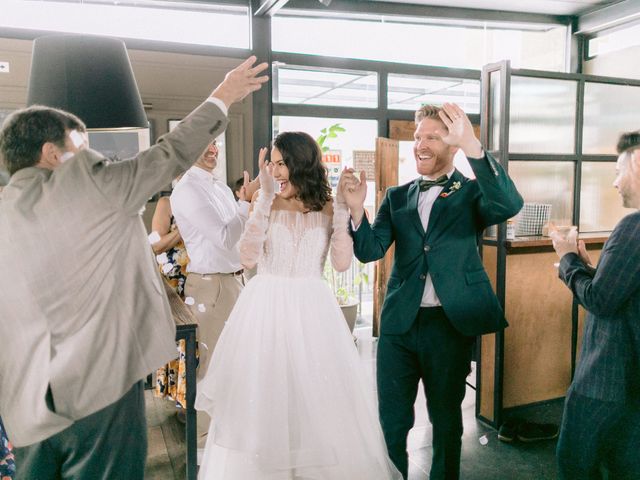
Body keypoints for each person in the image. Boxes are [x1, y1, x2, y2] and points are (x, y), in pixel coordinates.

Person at [0, 56, 268, 479]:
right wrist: (225, 95)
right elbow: (172, 152)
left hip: (23, 404)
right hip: (99, 397)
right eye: (78, 147)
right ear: (52, 153)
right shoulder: (96, 187)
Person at [195, 132, 401, 479]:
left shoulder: (329, 207)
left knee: (313, 396)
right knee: (267, 393)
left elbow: (340, 264)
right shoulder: (267, 201)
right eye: (272, 163)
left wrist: (345, 212)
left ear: (301, 164)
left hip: (312, 309)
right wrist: (261, 201)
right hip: (266, 308)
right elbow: (246, 258)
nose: (274, 171)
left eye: (280, 163)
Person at [341, 103, 523, 479]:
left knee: (446, 423)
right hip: (399, 328)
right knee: (392, 423)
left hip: (448, 325)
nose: (420, 144)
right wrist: (357, 212)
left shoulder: (471, 193)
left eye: (432, 137)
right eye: (418, 136)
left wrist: (474, 145)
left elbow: (509, 204)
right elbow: (369, 250)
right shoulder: (396, 196)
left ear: (454, 144)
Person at [550, 130, 640, 480]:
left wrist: (568, 259)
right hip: (631, 381)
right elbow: (623, 290)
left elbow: (601, 300)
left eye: (619, 170)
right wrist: (589, 267)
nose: (615, 183)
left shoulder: (633, 225)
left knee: (574, 463)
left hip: (605, 378)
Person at [170, 140, 258, 377]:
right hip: (212, 287)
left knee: (239, 364)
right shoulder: (187, 189)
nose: (213, 149)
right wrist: (246, 202)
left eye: (215, 142)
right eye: (205, 143)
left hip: (237, 280)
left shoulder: (221, 189)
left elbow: (239, 237)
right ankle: (207, 416)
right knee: (214, 369)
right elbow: (224, 237)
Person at [150, 188, 190, 411]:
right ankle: (178, 397)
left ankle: (189, 397)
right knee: (180, 339)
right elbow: (156, 245)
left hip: (196, 277)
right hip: (174, 280)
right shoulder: (167, 203)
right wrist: (182, 229)